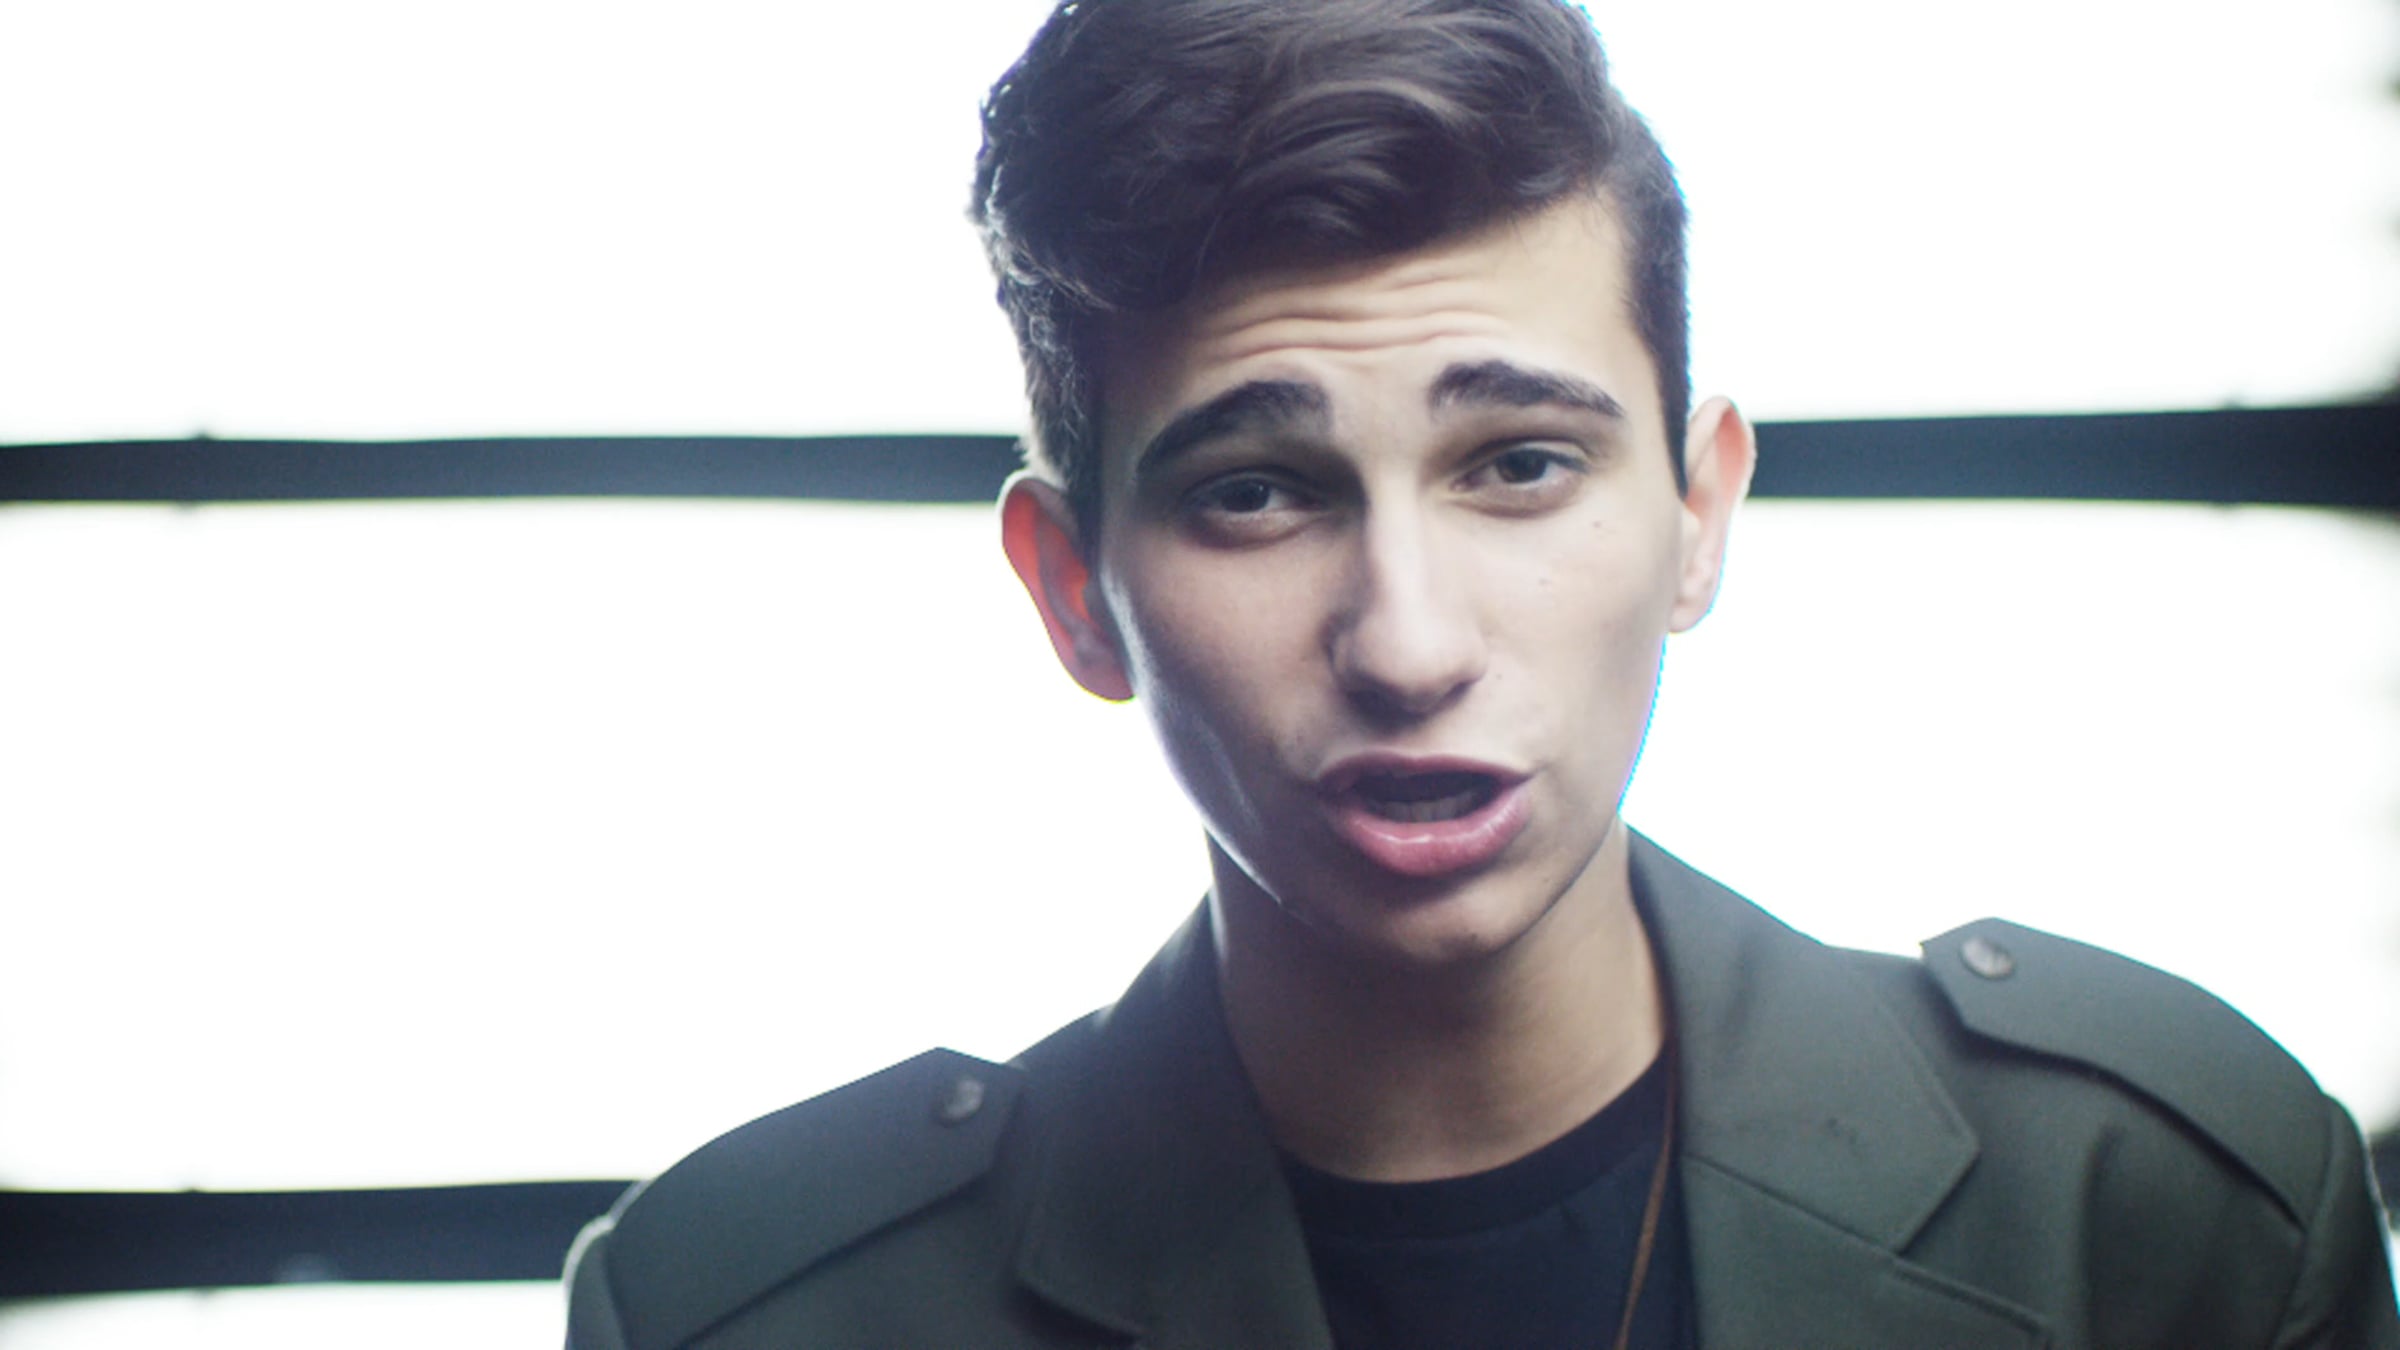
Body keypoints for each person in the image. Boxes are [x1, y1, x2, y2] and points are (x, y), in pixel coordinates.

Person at [563, 1, 2399, 1345]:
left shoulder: (2152, 1213)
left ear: (1698, 514)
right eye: (1255, 491)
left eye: (1518, 463)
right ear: (1074, 593)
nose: (1411, 643)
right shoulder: (756, 1312)